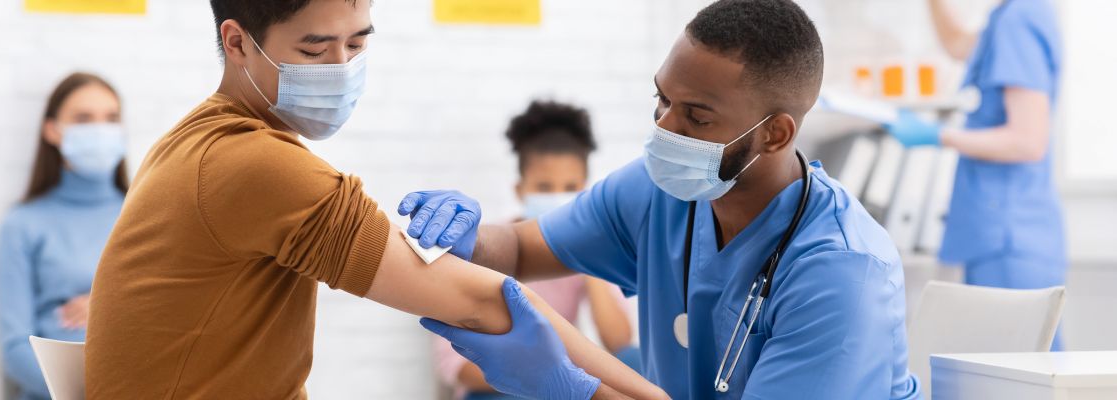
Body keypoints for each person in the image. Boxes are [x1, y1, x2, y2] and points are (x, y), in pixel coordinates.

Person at [82, 1, 664, 399]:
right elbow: (486, 299)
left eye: (356, 43)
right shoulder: (253, 164)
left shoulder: (193, 143)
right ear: (237, 42)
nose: (342, 69)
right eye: (315, 51)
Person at [403, 0, 921, 398]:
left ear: (775, 135)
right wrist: (468, 235)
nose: (663, 130)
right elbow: (518, 250)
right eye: (662, 99)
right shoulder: (660, 193)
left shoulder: (842, 274)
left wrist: (572, 387)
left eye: (696, 117)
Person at [886, 0, 1065, 349]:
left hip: (1009, 233)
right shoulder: (1009, 16)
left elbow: (1028, 141)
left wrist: (937, 135)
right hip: (1004, 230)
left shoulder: (1019, 18)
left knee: (1018, 373)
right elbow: (957, 44)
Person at [434, 100, 641, 399]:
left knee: (634, 362)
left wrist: (586, 259)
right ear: (520, 189)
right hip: (497, 387)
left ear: (585, 191)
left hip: (559, 385)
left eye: (570, 187)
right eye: (544, 187)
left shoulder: (586, 250)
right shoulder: (484, 249)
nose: (558, 197)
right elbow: (454, 368)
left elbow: (619, 342)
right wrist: (539, 374)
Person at [0, 72, 128, 400]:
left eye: (111, 118)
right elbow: (15, 348)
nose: (100, 130)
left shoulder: (148, 215)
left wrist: (104, 305)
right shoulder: (24, 224)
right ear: (53, 130)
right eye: (83, 118)